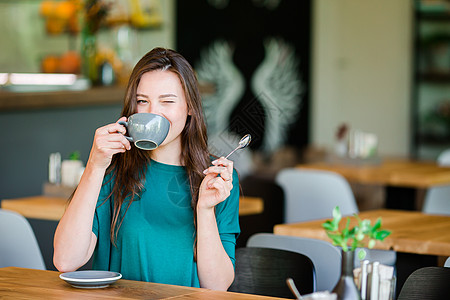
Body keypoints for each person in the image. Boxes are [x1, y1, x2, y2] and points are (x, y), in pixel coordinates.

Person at [53, 47, 240, 291]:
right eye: (143, 101)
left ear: (190, 107)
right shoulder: (113, 169)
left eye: (167, 101)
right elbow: (66, 260)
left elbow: (217, 286)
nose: (153, 113)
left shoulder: (216, 178)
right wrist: (95, 165)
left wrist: (205, 209)